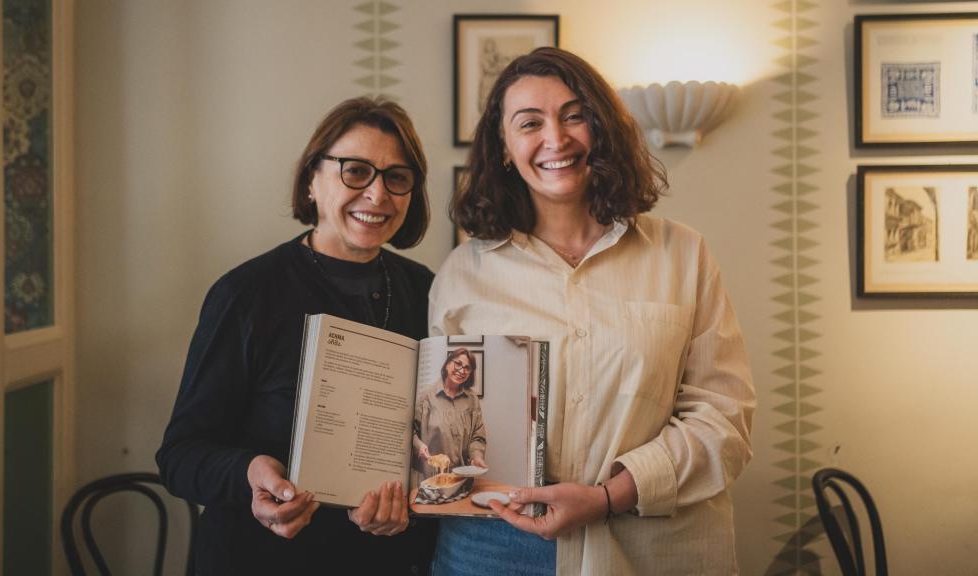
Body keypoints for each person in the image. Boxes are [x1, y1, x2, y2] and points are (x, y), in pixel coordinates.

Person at [428, 47, 755, 575]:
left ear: (602, 128)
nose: (555, 139)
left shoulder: (684, 255)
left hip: (650, 547)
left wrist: (611, 495)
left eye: (573, 115)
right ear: (505, 149)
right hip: (493, 548)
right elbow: (442, 417)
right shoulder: (462, 274)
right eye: (529, 123)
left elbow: (724, 418)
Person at [156, 97, 437, 574]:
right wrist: (249, 474)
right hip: (261, 559)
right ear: (312, 179)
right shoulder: (246, 294)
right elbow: (180, 456)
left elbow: (436, 439)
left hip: (384, 561)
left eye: (397, 177)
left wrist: (410, 505)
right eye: (355, 171)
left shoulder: (426, 290)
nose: (378, 193)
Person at [413, 348, 488, 481]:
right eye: (458, 364)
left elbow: (477, 435)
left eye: (467, 368)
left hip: (462, 478)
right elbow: (410, 432)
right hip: (431, 479)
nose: (461, 370)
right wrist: (418, 445)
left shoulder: (472, 400)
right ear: (447, 364)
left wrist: (476, 456)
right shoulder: (426, 397)